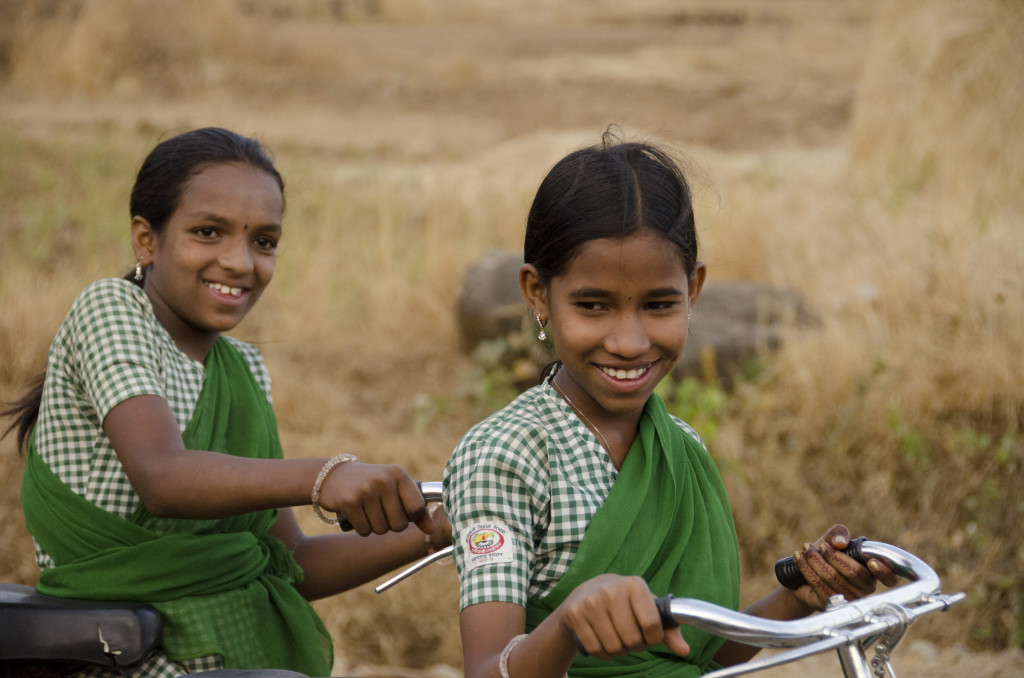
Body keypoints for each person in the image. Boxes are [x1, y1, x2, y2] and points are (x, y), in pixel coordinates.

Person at [442, 131, 897, 678]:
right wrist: (567, 623)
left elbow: (698, 654)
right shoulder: (505, 455)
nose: (630, 341)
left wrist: (803, 592)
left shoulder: (680, 448)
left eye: (659, 304)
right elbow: (488, 670)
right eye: (593, 306)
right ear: (538, 294)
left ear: (695, 289)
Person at [1, 127, 450, 678]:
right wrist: (325, 475)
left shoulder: (243, 370)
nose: (240, 262)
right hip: (115, 657)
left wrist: (436, 530)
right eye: (208, 232)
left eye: (263, 241)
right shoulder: (113, 310)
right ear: (146, 240)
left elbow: (295, 565)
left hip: (231, 655)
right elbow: (163, 477)